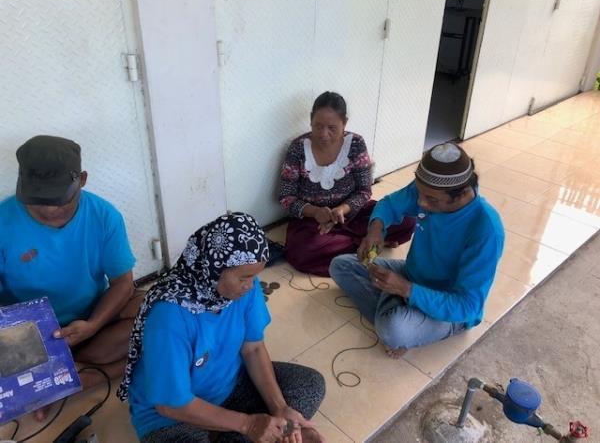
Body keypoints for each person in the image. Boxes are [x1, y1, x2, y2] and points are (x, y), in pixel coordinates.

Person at [118, 212, 326, 443]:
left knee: (310, 385)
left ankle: (237, 431)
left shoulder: (245, 287)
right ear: (214, 269)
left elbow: (253, 349)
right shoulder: (169, 315)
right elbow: (170, 406)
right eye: (244, 278)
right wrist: (248, 424)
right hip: (171, 416)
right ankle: (236, 431)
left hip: (230, 387)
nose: (250, 286)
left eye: (255, 276)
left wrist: (279, 409)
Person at [0, 135, 139, 418]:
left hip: (89, 320)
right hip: (26, 333)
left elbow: (123, 283)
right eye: (38, 200)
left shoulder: (104, 216)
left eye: (60, 199)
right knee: (148, 355)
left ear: (83, 180)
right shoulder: (3, 220)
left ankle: (58, 379)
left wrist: (92, 324)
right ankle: (73, 375)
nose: (50, 210)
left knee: (156, 314)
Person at [329, 143, 504, 358]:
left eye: (431, 199)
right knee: (341, 266)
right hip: (411, 274)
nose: (421, 203)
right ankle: (400, 318)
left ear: (461, 194)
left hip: (450, 310)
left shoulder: (486, 229)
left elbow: (467, 306)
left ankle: (400, 323)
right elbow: (389, 205)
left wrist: (406, 290)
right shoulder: (430, 190)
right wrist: (376, 229)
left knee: (394, 329)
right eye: (420, 194)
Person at [279, 91, 415, 277]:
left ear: (345, 124)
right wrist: (315, 212)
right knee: (302, 251)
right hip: (313, 222)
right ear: (310, 121)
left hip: (354, 213)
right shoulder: (297, 149)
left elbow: (364, 190)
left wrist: (343, 209)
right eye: (318, 126)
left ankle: (358, 245)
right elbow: (286, 198)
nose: (324, 134)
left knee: (406, 220)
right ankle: (369, 244)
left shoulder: (356, 144)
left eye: (332, 128)